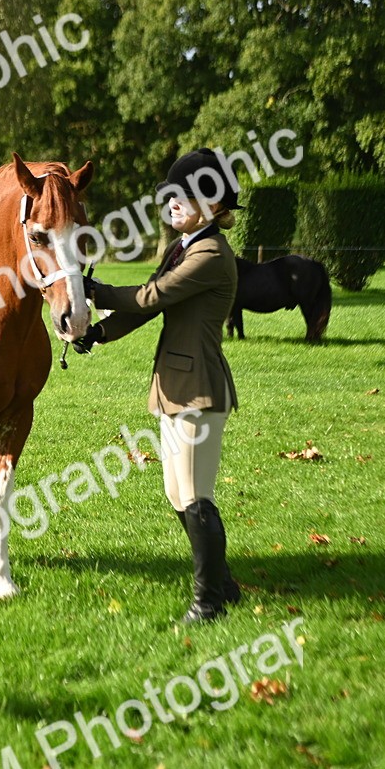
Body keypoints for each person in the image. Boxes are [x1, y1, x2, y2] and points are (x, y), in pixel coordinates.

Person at [73, 148, 241, 623]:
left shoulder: (210, 254)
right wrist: (100, 331)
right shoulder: (182, 248)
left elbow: (151, 296)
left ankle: (209, 600)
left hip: (199, 390)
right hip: (174, 386)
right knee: (175, 493)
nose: (171, 205)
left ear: (211, 206)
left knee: (195, 496)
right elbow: (146, 308)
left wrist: (91, 290)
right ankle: (224, 585)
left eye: (183, 198)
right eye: (170, 196)